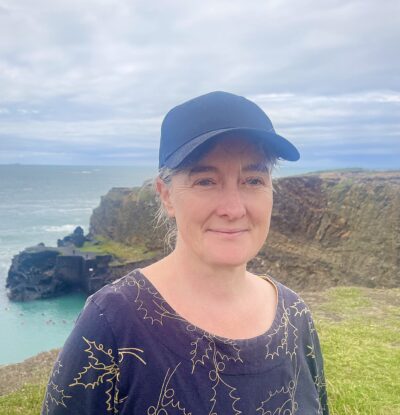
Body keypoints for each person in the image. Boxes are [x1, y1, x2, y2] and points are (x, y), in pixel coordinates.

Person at [42, 91, 329, 414]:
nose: (233, 209)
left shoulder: (294, 316)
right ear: (166, 196)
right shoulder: (112, 324)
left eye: (253, 180)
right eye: (205, 181)